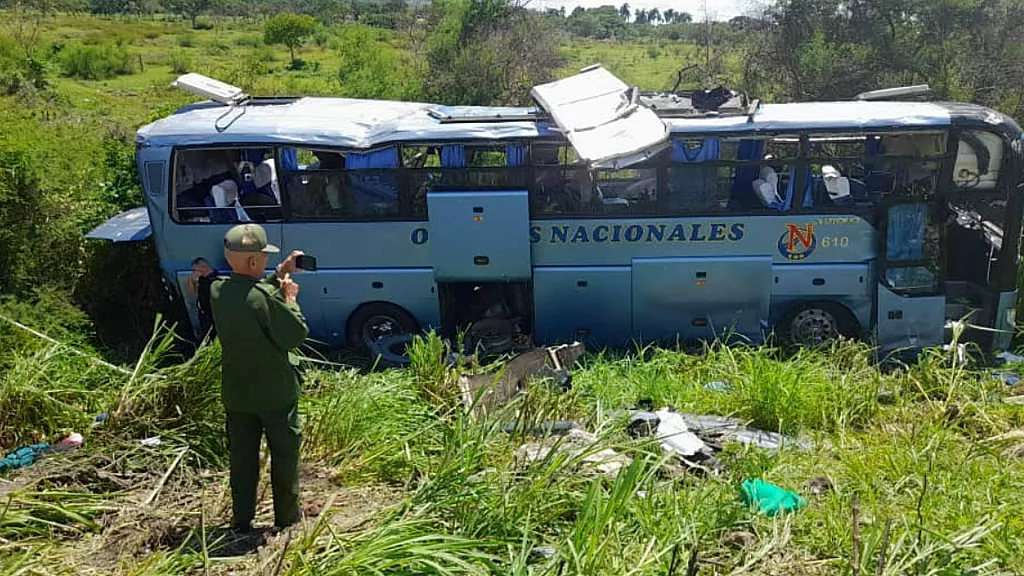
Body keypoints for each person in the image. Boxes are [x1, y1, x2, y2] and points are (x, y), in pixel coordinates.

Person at [209, 223, 309, 533]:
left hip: (237, 393)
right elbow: (295, 334)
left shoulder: (217, 290)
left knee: (242, 459)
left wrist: (279, 271)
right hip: (275, 393)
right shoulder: (267, 299)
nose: (265, 261)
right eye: (263, 258)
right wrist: (290, 298)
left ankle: (241, 519)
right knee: (284, 455)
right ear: (254, 262)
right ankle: (286, 517)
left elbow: (248, 292)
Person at [188, 257, 218, 341]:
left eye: (195, 270)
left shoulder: (214, 279)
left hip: (211, 314)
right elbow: (191, 291)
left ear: (202, 267)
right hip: (203, 313)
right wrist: (191, 280)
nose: (194, 272)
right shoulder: (201, 279)